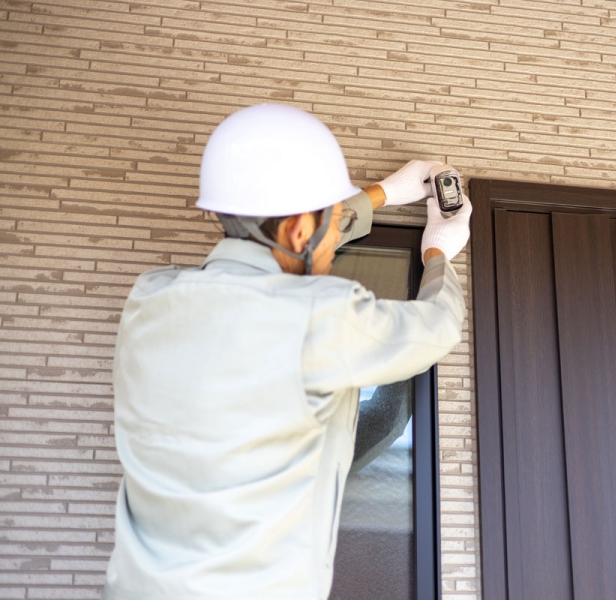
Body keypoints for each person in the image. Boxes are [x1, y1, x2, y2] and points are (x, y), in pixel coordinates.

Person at [101, 103, 471, 600]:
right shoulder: (315, 315)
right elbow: (435, 328)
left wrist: (381, 195)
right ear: (300, 230)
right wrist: (438, 254)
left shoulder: (148, 299)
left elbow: (287, 235)